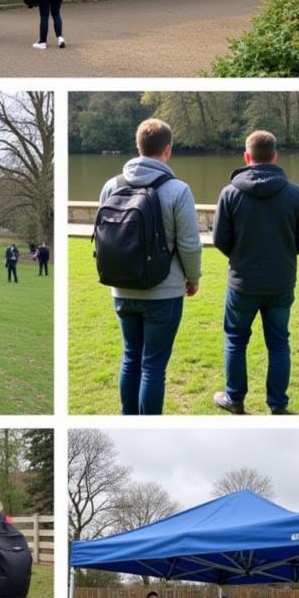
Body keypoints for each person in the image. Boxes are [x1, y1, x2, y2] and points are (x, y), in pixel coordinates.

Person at [98, 119, 203, 415]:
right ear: (167, 149)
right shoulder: (177, 190)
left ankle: (128, 416)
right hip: (163, 290)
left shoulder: (111, 185)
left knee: (131, 357)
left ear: (138, 146)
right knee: (153, 365)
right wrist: (193, 278)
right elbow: (189, 244)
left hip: (121, 287)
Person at [212, 130, 299, 414]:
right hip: (280, 282)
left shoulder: (230, 193)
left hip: (242, 283)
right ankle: (278, 404)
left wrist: (241, 255)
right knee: (279, 342)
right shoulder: (294, 193)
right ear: (275, 156)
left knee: (235, 340)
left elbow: (220, 239)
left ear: (247, 157)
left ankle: (235, 398)